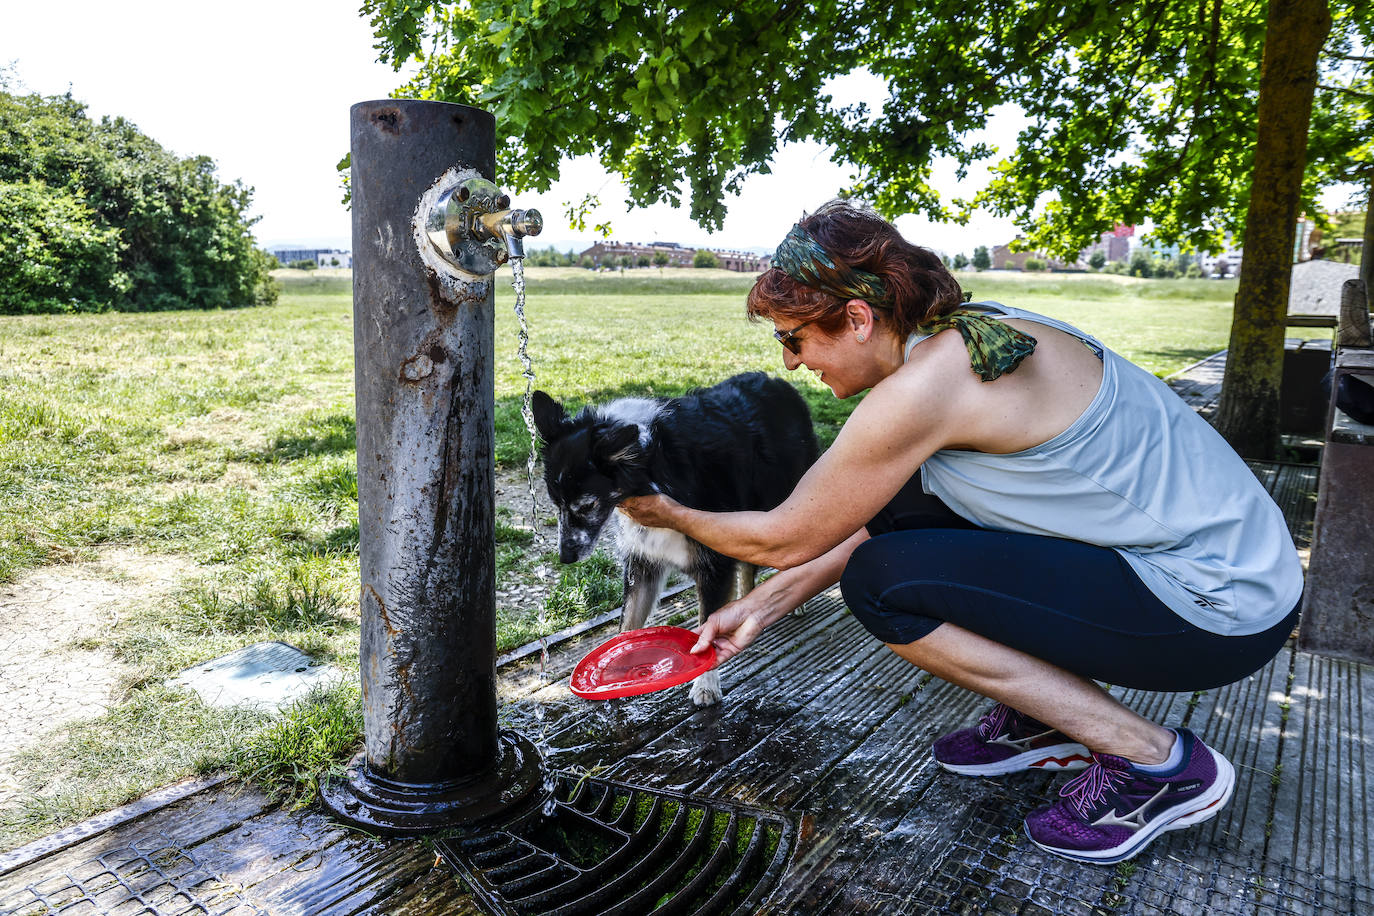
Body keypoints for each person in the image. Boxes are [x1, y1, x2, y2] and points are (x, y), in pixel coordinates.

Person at [618, 200, 1303, 865]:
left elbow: (780, 538)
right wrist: (759, 607)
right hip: (1232, 573)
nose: (793, 362)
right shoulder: (962, 337)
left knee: (882, 584)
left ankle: (1156, 762)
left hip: (1217, 607)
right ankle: (1044, 715)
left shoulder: (930, 385)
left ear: (857, 318)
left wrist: (669, 512)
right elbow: (867, 519)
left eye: (794, 338)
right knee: (896, 507)